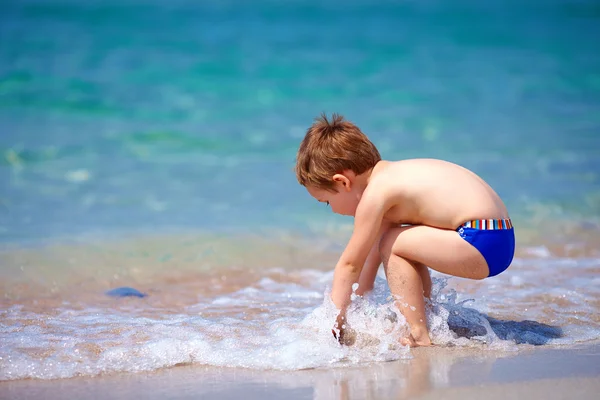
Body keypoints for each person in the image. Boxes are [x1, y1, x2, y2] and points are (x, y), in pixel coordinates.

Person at [294, 113, 515, 347]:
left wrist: (334, 322)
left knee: (393, 242)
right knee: (399, 241)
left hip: (481, 240)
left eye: (327, 202)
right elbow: (370, 261)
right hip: (498, 236)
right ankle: (426, 318)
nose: (333, 210)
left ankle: (419, 333)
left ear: (342, 182)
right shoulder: (393, 180)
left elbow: (349, 264)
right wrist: (360, 302)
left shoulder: (377, 194)